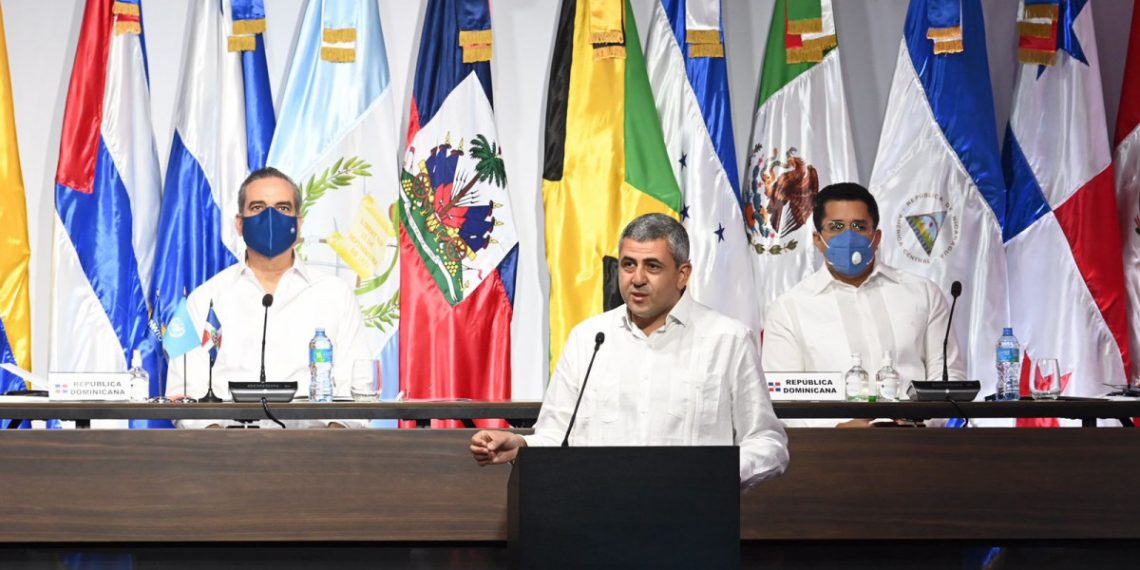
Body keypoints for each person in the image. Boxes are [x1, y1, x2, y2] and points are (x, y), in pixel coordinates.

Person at [470, 214, 788, 488]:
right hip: (597, 520)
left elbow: (768, 443)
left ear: (683, 274)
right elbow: (557, 435)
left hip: (694, 521)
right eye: (628, 265)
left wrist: (710, 476)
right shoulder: (589, 339)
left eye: (652, 266)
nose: (636, 279)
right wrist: (521, 443)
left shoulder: (728, 340)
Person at [165, 167, 372, 428]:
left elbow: (357, 388)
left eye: (283, 208)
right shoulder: (205, 298)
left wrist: (329, 445)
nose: (271, 217)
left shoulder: (335, 295)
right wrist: (218, 443)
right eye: (258, 207)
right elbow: (183, 391)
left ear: (299, 224)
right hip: (224, 455)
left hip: (316, 456)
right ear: (239, 224)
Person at [762, 182, 965, 427]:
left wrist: (921, 422)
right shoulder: (789, 309)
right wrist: (836, 430)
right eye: (836, 227)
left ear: (876, 237)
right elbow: (782, 400)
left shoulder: (923, 293)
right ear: (818, 239)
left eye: (859, 226)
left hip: (918, 446)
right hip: (830, 455)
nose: (849, 236)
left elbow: (947, 378)